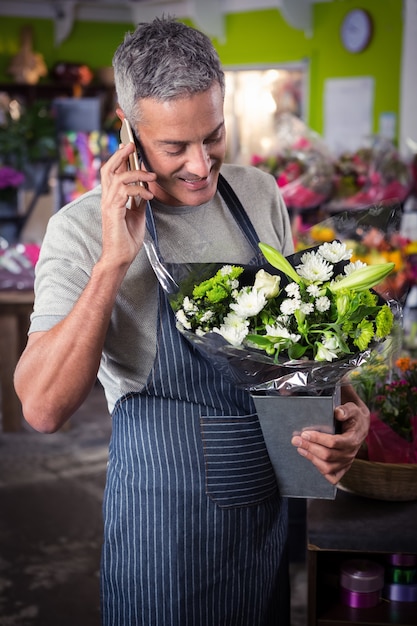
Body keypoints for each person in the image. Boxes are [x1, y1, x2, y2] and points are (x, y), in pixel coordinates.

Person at [14, 16, 369, 626]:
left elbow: (298, 347)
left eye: (214, 136)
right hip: (163, 522)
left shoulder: (258, 195)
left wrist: (344, 407)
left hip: (265, 506)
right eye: (175, 147)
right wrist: (113, 261)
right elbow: (42, 409)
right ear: (127, 130)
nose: (202, 167)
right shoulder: (78, 230)